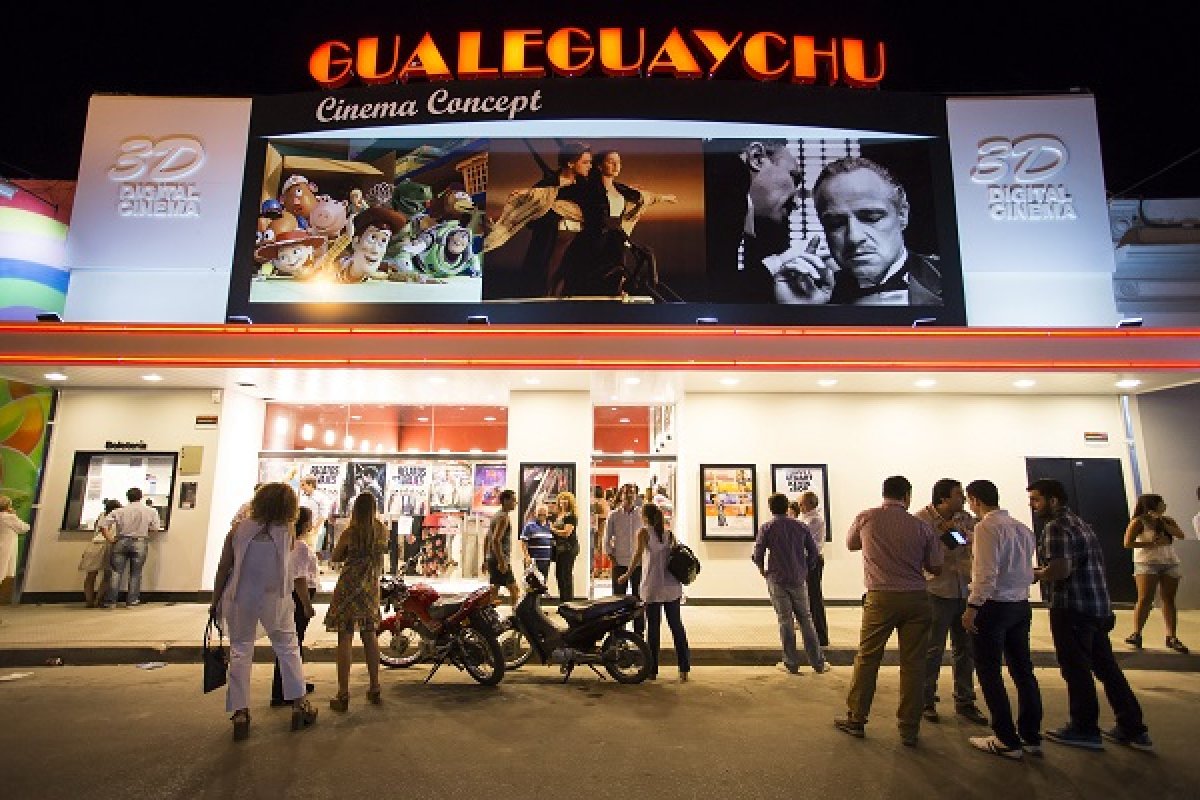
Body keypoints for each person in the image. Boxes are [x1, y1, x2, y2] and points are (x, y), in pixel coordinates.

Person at [1028, 478, 1153, 751]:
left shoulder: (1056, 527)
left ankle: (1084, 728)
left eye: (1036, 499)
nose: (1032, 505)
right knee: (1107, 668)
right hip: (1097, 607)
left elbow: (1060, 570)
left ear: (1053, 500)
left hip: (1072, 608)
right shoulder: (1081, 524)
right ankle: (1132, 726)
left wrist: (1035, 574)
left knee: (1076, 669)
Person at [835, 475, 942, 747]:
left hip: (880, 598)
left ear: (884, 494)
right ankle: (909, 729)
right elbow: (935, 567)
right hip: (917, 599)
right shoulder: (921, 526)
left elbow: (851, 544)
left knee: (868, 658)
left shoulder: (867, 518)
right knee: (914, 664)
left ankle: (857, 718)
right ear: (907, 496)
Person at [209, 482, 318, 740]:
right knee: (288, 648)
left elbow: (223, 568)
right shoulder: (287, 532)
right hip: (275, 598)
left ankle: (240, 712)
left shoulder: (238, 530)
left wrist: (215, 601)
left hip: (241, 597)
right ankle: (299, 705)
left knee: (240, 650)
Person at [768, 156, 943, 306]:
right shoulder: (808, 293)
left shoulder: (949, 278)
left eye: (871, 218)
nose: (854, 237)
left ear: (902, 214)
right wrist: (802, 314)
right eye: (836, 223)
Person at [959, 480, 1042, 760]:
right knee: (1023, 671)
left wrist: (972, 607)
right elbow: (1025, 570)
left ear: (975, 500)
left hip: (993, 607)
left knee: (989, 672)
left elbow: (986, 574)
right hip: (1020, 605)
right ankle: (1031, 736)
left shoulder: (986, 528)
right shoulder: (1022, 528)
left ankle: (1006, 738)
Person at [913, 479, 987, 725]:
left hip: (964, 590)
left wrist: (957, 534)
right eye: (958, 494)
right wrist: (954, 535)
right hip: (937, 591)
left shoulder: (965, 519)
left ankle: (965, 700)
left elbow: (972, 546)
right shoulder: (921, 520)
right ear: (943, 498)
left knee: (965, 648)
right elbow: (936, 550)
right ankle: (926, 700)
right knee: (932, 649)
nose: (963, 499)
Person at [704, 138, 803, 303]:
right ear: (757, 157)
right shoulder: (724, 184)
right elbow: (718, 294)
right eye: (794, 177)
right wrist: (778, 263)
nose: (797, 203)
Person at [324, 491, 388, 712]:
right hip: (370, 588)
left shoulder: (350, 532)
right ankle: (375, 687)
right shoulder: (381, 530)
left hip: (349, 587)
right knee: (370, 636)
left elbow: (335, 557)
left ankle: (343, 693)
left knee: (345, 637)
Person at [753, 493, 829, 675]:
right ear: (787, 506)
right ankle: (818, 662)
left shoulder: (767, 527)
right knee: (806, 619)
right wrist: (806, 568)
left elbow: (758, 553)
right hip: (798, 578)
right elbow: (813, 552)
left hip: (777, 578)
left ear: (771, 508)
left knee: (785, 620)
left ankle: (791, 663)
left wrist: (762, 569)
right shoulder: (800, 526)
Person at [619, 503, 691, 682]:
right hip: (672, 587)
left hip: (653, 586)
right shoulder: (669, 534)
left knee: (653, 629)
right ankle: (684, 668)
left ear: (645, 517)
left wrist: (627, 574)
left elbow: (637, 555)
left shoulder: (643, 533)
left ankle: (652, 670)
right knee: (676, 626)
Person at [1123, 493, 1188, 653]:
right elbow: (1127, 543)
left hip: (1169, 562)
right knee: (1145, 598)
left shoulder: (1167, 520)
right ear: (1152, 504)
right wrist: (1151, 544)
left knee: (1168, 599)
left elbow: (1180, 535)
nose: (1164, 505)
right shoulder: (1138, 521)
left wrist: (1162, 522)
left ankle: (1171, 637)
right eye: (1161, 502)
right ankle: (1137, 633)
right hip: (1146, 563)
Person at [271, 506, 318, 707]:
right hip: (297, 598)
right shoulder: (299, 547)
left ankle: (292, 685)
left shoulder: (290, 545)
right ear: (305, 523)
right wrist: (307, 604)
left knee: (291, 643)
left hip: (293, 597)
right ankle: (286, 691)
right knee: (292, 644)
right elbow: (299, 578)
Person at [103, 487, 161, 608]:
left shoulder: (119, 511)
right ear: (141, 496)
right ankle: (132, 600)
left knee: (116, 572)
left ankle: (110, 601)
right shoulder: (151, 511)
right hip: (140, 541)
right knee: (136, 573)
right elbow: (155, 528)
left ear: (127, 497)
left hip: (121, 540)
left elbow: (103, 525)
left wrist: (110, 538)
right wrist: (145, 533)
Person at [606, 485, 645, 634]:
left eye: (632, 493)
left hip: (638, 564)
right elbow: (606, 539)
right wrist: (612, 558)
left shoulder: (641, 514)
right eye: (626, 493)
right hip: (620, 563)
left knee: (638, 598)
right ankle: (618, 632)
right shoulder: (614, 515)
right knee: (618, 600)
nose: (629, 496)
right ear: (621, 495)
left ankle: (639, 632)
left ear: (635, 496)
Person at [795, 491, 830, 648]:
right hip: (805, 560)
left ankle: (821, 636)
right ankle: (812, 634)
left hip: (812, 561)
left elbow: (804, 541)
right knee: (808, 597)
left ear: (810, 503)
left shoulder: (814, 519)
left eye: (802, 504)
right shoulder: (805, 518)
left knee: (814, 597)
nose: (800, 506)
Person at [79, 499, 120, 607]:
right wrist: (112, 540)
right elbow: (106, 531)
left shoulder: (101, 516)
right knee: (107, 575)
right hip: (107, 545)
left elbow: (97, 530)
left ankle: (89, 601)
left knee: (91, 575)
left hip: (94, 545)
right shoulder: (116, 518)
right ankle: (99, 599)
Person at [485, 489, 519, 606]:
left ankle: (487, 612)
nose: (515, 503)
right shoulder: (503, 517)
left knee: (494, 589)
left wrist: (486, 558)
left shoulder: (496, 516)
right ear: (505, 501)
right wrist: (501, 561)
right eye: (513, 500)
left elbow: (487, 538)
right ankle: (515, 614)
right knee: (514, 590)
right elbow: (495, 540)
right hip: (499, 559)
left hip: (493, 558)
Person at [0, 494, 31, 606]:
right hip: (5, 549)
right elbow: (25, 528)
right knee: (2, 572)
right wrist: (14, 515)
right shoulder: (9, 517)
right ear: (7, 506)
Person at [550, 491, 580, 603]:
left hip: (568, 548)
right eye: (561, 499)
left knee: (565, 575)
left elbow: (566, 533)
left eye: (566, 499)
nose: (563, 501)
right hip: (559, 549)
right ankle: (563, 601)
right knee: (559, 574)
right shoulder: (558, 515)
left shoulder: (571, 516)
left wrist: (553, 530)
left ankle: (568, 602)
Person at [519, 503, 555, 581]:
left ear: (547, 514)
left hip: (546, 560)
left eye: (544, 514)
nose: (542, 516)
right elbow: (523, 542)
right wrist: (527, 556)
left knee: (543, 582)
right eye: (539, 514)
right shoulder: (529, 526)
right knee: (532, 583)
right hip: (533, 561)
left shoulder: (550, 527)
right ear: (535, 514)